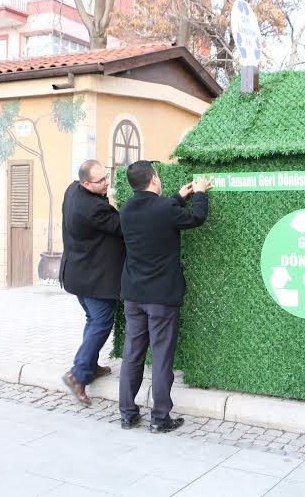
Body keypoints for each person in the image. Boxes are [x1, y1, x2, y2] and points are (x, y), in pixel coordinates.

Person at [117, 161, 212, 433]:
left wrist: (179, 197)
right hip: (161, 297)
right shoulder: (164, 209)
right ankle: (160, 418)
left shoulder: (125, 209)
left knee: (132, 355)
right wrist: (201, 192)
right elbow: (196, 218)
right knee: (160, 357)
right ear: (154, 180)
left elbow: (156, 213)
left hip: (133, 295)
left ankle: (127, 414)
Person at [59, 159, 125, 405]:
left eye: (107, 176)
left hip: (77, 274)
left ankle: (89, 366)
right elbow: (120, 225)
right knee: (101, 322)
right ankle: (77, 375)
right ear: (86, 182)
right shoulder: (93, 209)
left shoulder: (72, 189)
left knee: (93, 320)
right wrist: (114, 204)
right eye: (101, 181)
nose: (107, 182)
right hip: (94, 279)